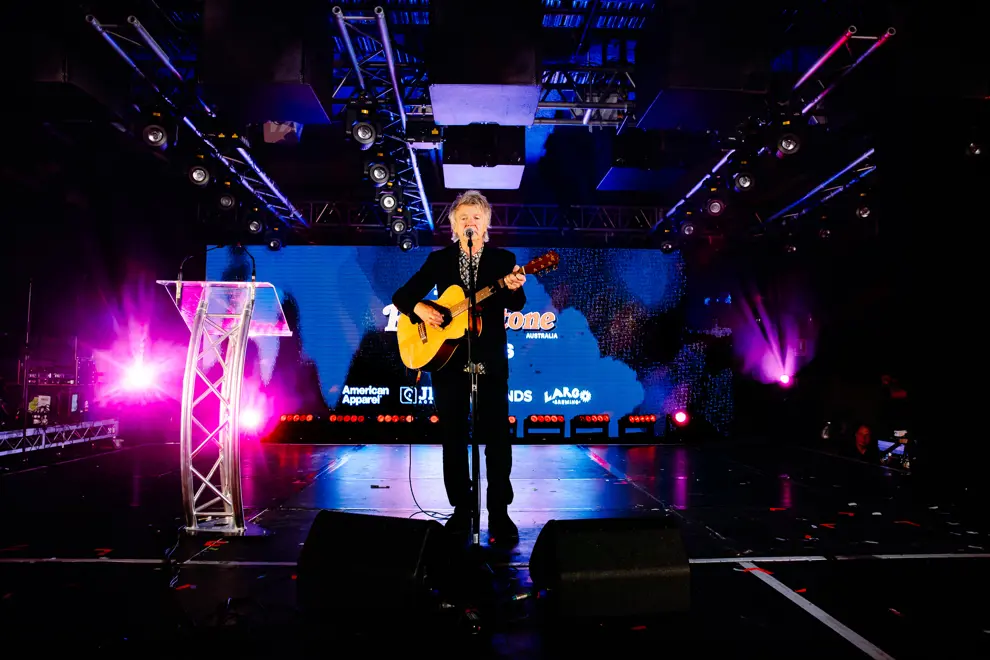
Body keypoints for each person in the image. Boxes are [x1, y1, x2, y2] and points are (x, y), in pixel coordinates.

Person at [392, 190, 526, 544]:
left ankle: (499, 511)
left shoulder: (503, 259)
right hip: (448, 362)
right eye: (463, 218)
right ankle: (461, 510)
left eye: (476, 218)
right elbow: (402, 297)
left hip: (490, 361)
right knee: (453, 437)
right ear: (453, 225)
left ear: (486, 225)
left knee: (497, 438)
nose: (470, 223)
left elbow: (516, 302)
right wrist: (421, 309)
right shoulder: (440, 260)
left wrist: (514, 286)